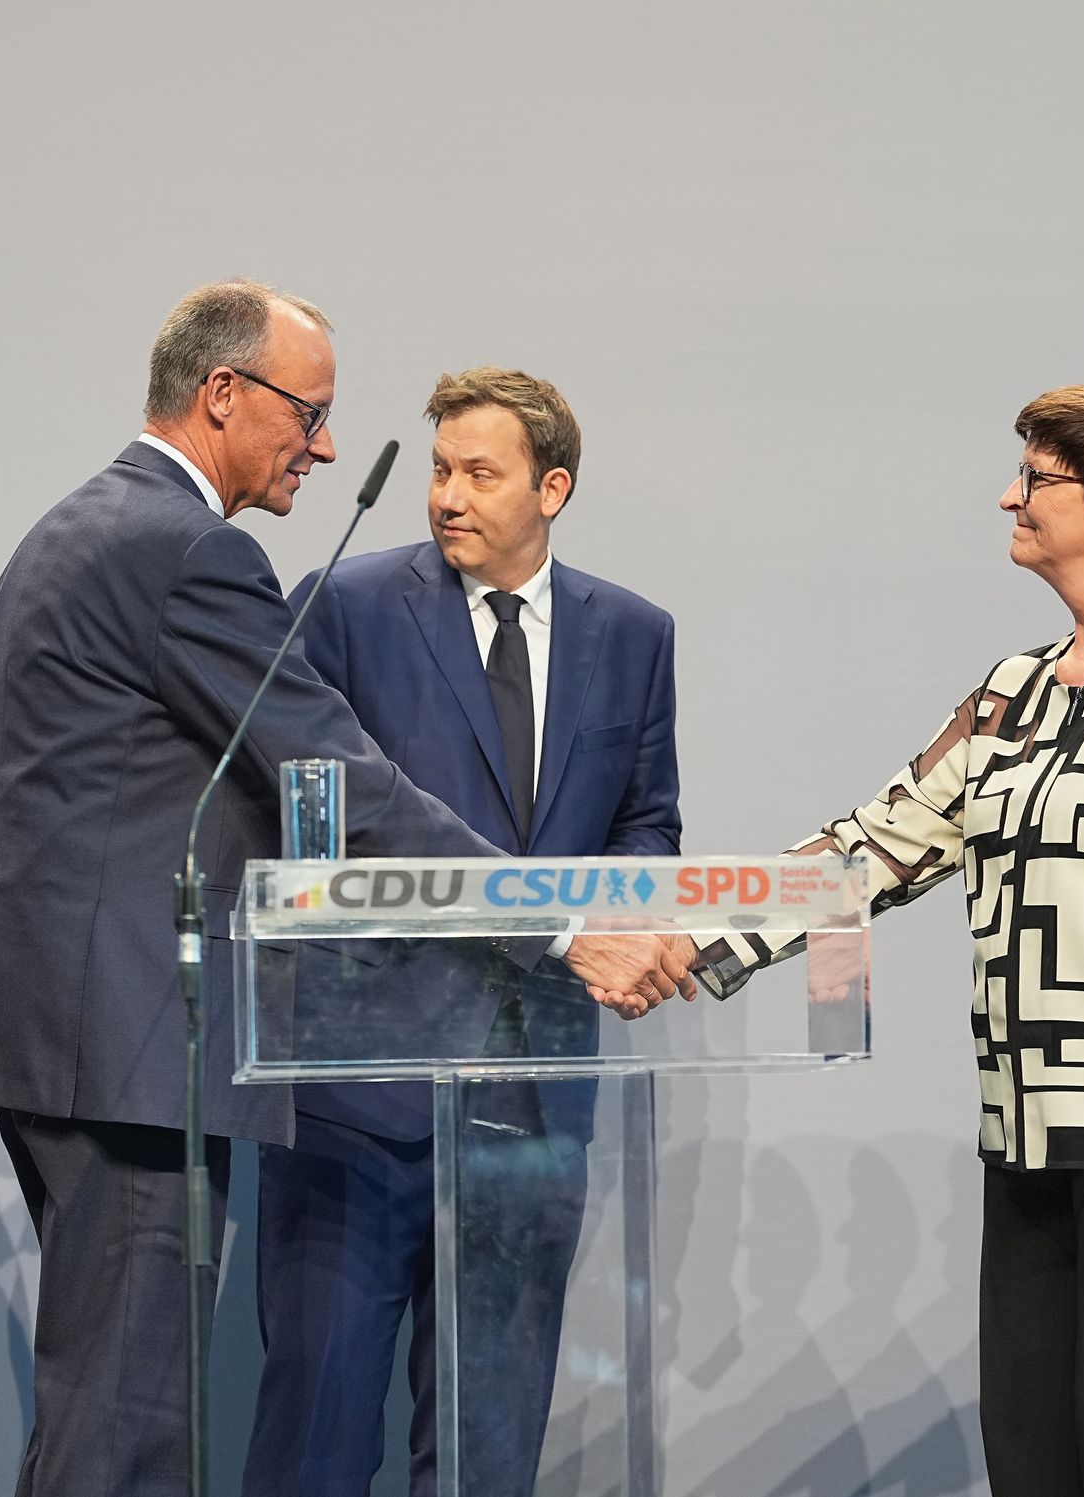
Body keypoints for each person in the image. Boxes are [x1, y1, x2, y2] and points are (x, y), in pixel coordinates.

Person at [0, 281, 688, 1496]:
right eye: (309, 413)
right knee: (124, 1426)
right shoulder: (189, 551)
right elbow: (342, 787)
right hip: (135, 1048)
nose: (325, 446)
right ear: (223, 393)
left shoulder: (73, 528)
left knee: (110, 1411)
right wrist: (558, 924)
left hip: (80, 1034)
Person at [698, 386, 1084, 1497]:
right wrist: (687, 938)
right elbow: (868, 848)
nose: (1008, 496)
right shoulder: (1012, 692)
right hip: (1032, 1148)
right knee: (1041, 1471)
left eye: (1034, 478)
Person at [242, 367, 681, 1495]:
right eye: (438, 471)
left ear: (552, 488)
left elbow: (644, 824)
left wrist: (618, 925)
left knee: (487, 1440)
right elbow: (312, 825)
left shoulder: (630, 634)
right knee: (318, 1425)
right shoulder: (343, 604)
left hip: (531, 1092)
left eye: (478, 474)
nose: (445, 496)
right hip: (358, 1081)